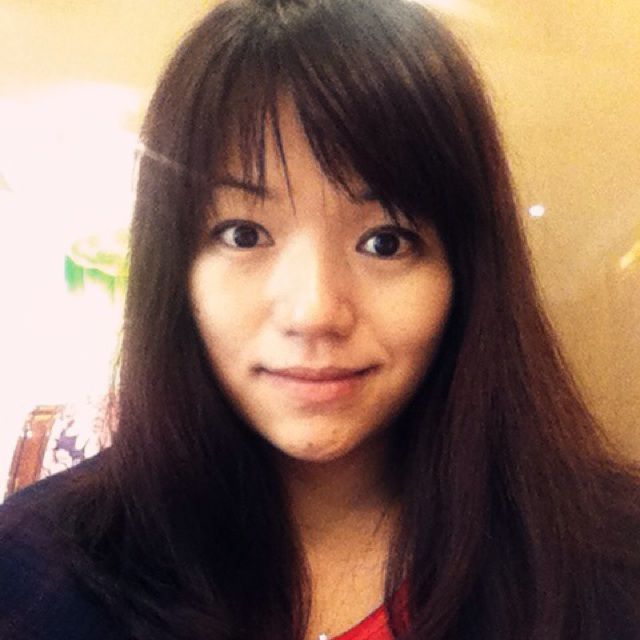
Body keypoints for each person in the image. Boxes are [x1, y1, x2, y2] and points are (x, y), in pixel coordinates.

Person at [1, 0, 639, 638]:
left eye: (385, 241)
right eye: (243, 234)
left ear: (466, 274)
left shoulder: (607, 569)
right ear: (173, 270)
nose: (313, 313)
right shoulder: (39, 573)